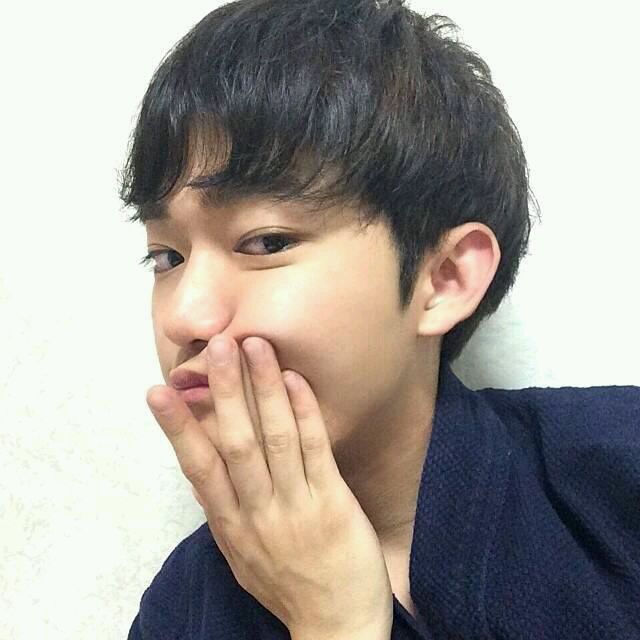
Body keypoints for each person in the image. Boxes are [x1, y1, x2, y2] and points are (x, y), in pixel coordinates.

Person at [119, 0, 640, 638]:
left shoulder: (619, 469)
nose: (184, 316)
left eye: (266, 242)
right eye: (166, 257)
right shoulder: (181, 613)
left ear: (443, 278)